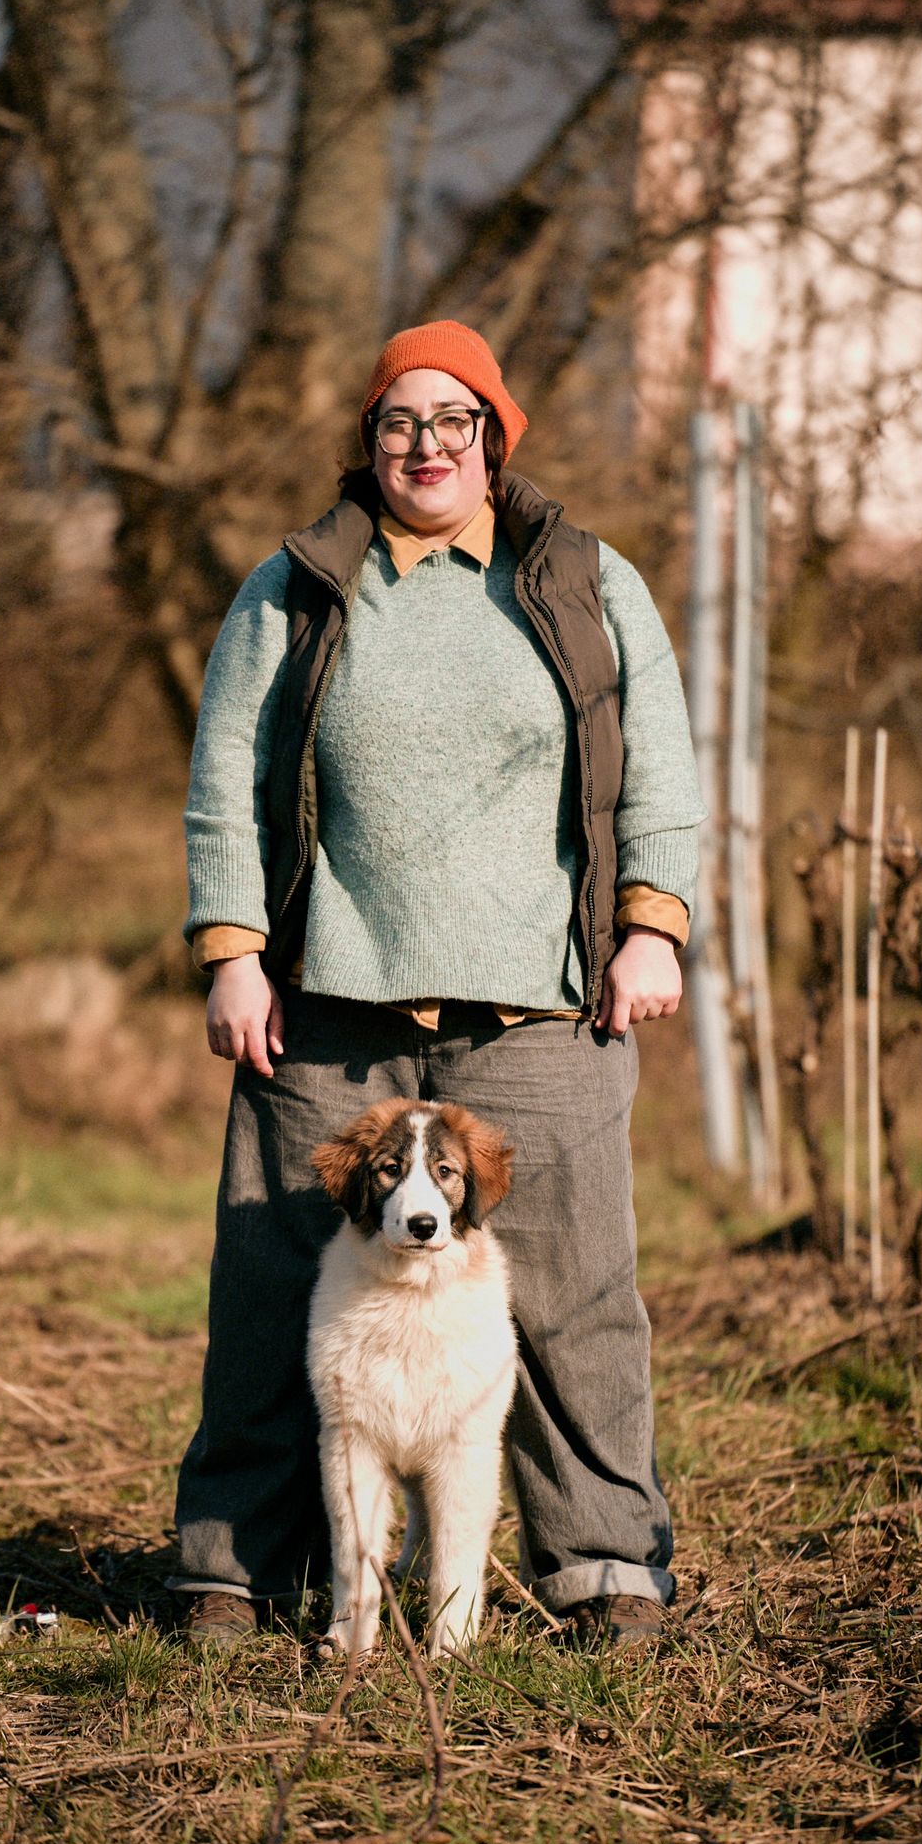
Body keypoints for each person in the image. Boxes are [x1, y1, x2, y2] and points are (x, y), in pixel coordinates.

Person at [171, 319, 705, 1651]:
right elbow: (226, 780)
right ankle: (237, 1571)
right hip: (330, 1017)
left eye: (454, 419)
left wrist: (654, 925)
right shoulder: (295, 587)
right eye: (400, 420)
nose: (427, 445)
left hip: (544, 1008)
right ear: (370, 439)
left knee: (579, 1297)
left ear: (495, 434)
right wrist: (235, 950)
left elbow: (662, 772)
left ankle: (604, 1569)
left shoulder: (581, 580)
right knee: (270, 1288)